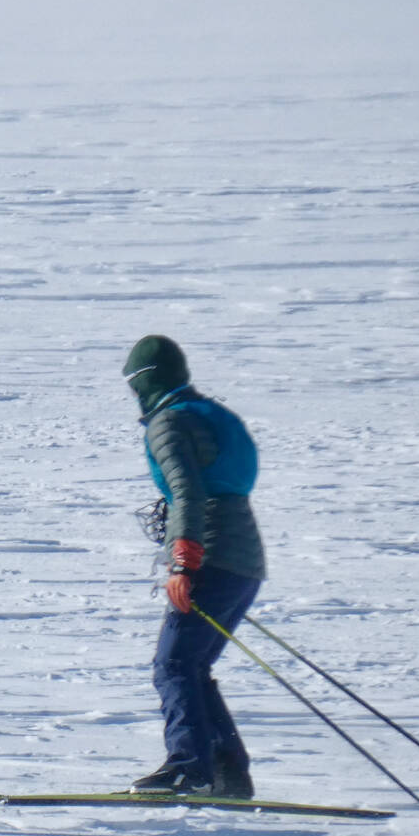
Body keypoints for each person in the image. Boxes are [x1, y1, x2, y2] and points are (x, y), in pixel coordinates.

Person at [123, 335, 265, 797]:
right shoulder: (219, 416)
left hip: (211, 554)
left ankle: (189, 768)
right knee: (191, 664)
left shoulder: (168, 423)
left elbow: (188, 492)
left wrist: (183, 561)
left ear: (144, 382)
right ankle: (228, 773)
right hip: (245, 559)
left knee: (174, 664)